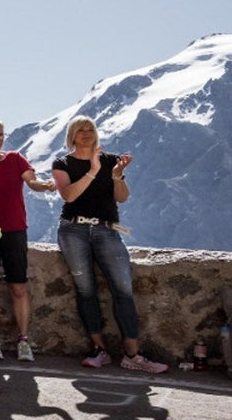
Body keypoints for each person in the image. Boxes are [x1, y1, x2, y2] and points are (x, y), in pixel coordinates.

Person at [51, 116, 167, 373]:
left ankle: (133, 354)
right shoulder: (62, 163)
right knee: (85, 290)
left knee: (123, 289)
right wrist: (92, 170)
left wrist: (116, 176)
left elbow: (122, 198)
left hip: (107, 230)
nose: (85, 133)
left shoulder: (111, 161)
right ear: (71, 135)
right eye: (80, 129)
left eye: (90, 128)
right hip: (73, 230)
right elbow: (69, 194)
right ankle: (98, 349)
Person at [0, 118, 55, 361]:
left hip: (15, 230)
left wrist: (46, 185)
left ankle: (23, 340)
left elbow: (32, 181)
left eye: (1, 133)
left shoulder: (14, 159)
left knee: (18, 288)